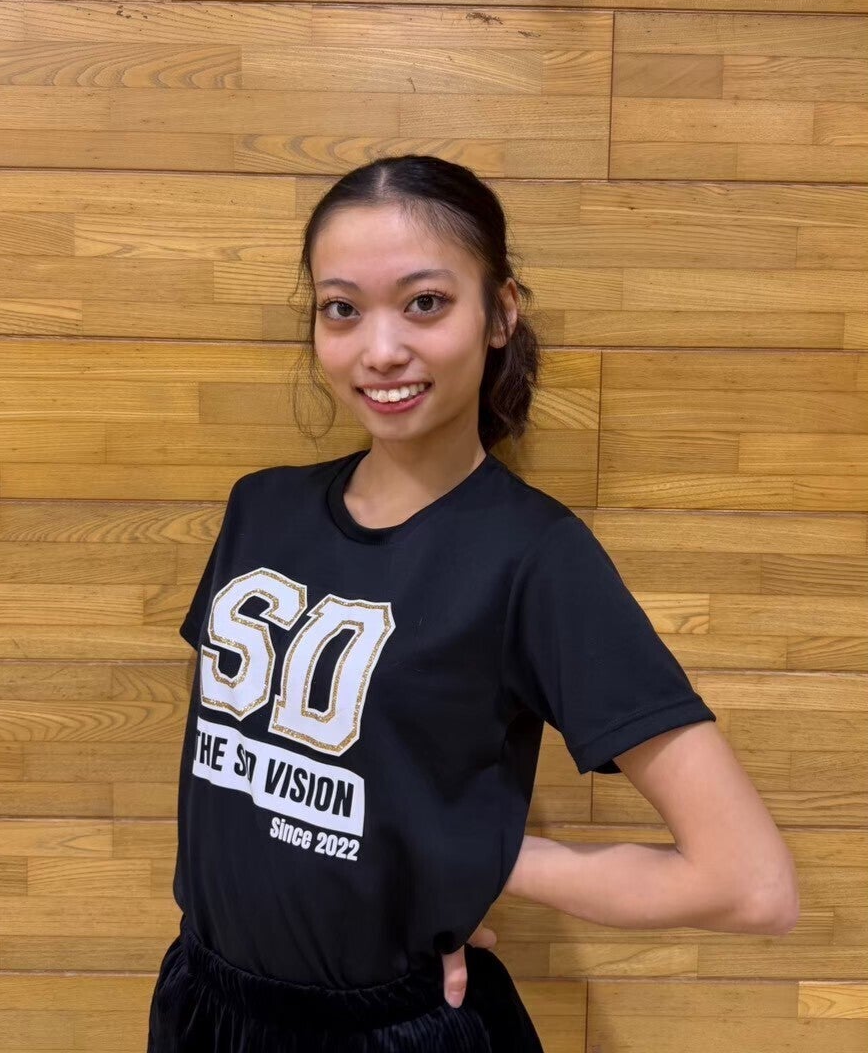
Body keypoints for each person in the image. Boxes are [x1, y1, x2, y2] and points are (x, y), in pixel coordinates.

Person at [146, 154, 726, 1051]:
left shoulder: (535, 556)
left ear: (500, 313)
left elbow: (743, 879)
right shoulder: (260, 508)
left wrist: (475, 864)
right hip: (204, 1006)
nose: (379, 350)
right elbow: (256, 775)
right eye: (342, 309)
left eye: (425, 302)